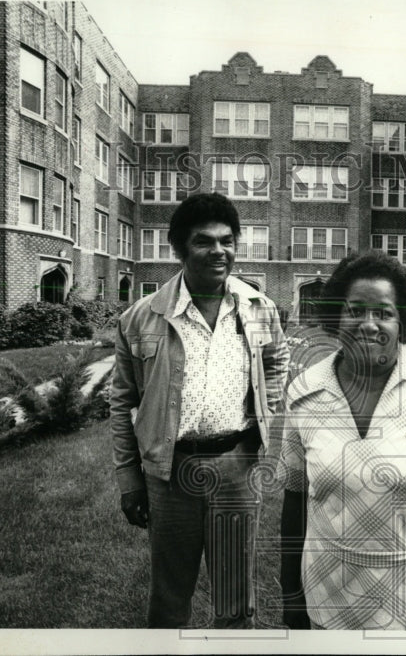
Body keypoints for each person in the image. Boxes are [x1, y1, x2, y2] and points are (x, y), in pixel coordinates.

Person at [277, 251, 406, 630]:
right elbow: (295, 502)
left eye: (384, 313)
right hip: (328, 589)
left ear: (402, 320)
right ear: (336, 316)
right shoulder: (305, 390)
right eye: (355, 310)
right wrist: (292, 597)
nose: (368, 324)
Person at [110, 192, 290, 628]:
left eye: (227, 240)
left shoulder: (258, 308)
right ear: (179, 249)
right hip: (170, 472)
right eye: (204, 242)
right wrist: (130, 479)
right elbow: (122, 402)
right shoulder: (141, 317)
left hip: (237, 466)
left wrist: (263, 407)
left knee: (234, 596)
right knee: (170, 596)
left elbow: (276, 361)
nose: (219, 251)